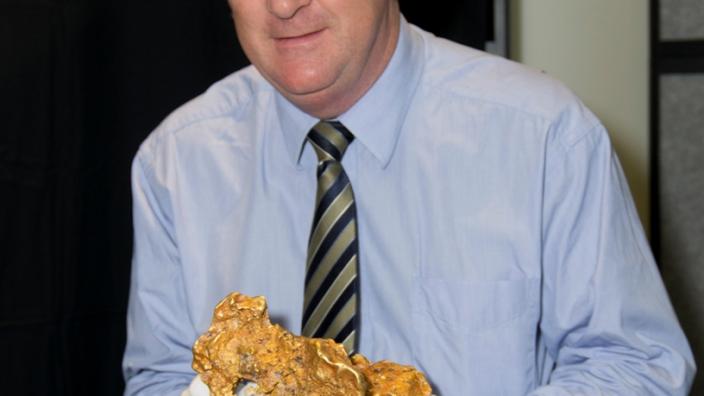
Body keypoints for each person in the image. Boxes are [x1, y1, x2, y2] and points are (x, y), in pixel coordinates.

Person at [122, 0, 696, 394]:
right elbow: (161, 377)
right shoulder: (176, 162)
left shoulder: (543, 135)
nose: (286, 4)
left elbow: (638, 365)